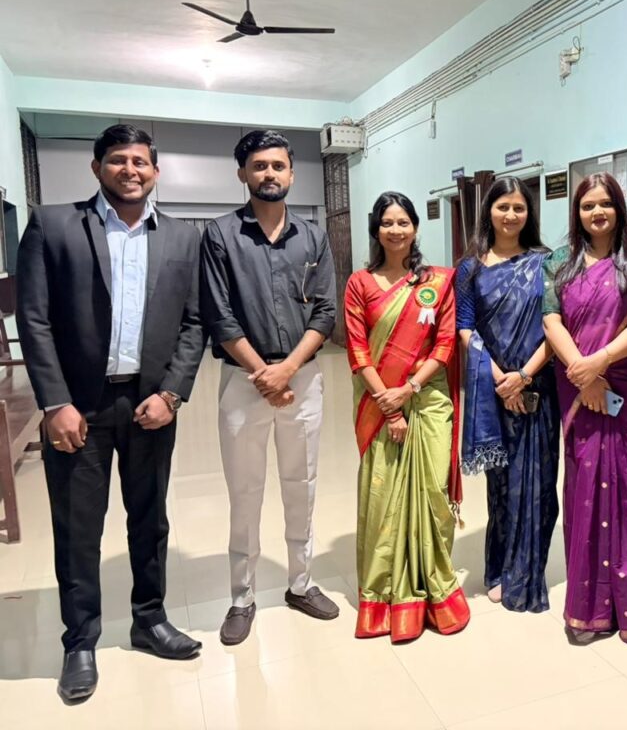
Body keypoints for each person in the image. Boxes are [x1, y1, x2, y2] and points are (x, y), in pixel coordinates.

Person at [16, 124, 205, 701]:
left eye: (141, 161)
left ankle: (150, 620)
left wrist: (171, 394)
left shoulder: (182, 236)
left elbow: (194, 323)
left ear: (156, 171)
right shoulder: (53, 225)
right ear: (97, 167)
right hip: (79, 407)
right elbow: (34, 319)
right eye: (118, 160)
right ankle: (80, 641)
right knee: (79, 528)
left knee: (150, 519)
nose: (131, 170)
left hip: (150, 405)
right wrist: (55, 402)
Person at [200, 130, 339, 646]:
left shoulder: (313, 237)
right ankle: (242, 596)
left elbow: (325, 310)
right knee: (245, 489)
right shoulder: (220, 235)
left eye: (278, 165)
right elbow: (218, 313)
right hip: (244, 380)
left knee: (302, 483)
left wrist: (288, 370)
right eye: (259, 166)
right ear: (243, 174)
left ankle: (300, 583)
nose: (269, 174)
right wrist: (265, 373)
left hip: (302, 379)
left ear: (292, 173)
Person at [543, 173, 627, 645]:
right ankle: (588, 607)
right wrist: (583, 371)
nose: (597, 212)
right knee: (585, 494)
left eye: (605, 204)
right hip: (580, 391)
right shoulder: (559, 263)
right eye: (587, 205)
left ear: (619, 208)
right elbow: (550, 321)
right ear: (576, 213)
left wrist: (601, 362)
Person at [343, 191, 469, 642]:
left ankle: (434, 587)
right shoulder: (360, 283)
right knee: (383, 497)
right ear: (375, 230)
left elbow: (446, 343)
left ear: (415, 227)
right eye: (387, 223)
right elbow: (358, 350)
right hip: (378, 404)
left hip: (428, 399)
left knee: (433, 490)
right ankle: (383, 594)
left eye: (403, 222)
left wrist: (409, 389)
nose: (395, 230)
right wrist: (389, 402)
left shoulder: (437, 281)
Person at [455, 176, 559, 613]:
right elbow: (465, 327)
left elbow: (558, 326)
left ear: (529, 213)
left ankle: (528, 571)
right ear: (489, 212)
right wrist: (501, 378)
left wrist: (524, 376)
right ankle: (498, 568)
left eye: (519, 207)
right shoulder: (470, 268)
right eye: (503, 207)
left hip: (538, 388)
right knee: (501, 487)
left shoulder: (547, 262)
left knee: (539, 485)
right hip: (492, 390)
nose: (511, 215)